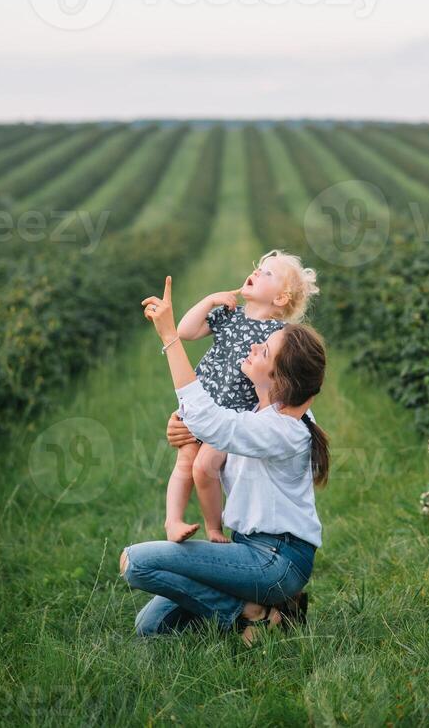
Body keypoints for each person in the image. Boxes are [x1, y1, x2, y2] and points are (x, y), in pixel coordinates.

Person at [119, 275, 329, 645]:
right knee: (151, 625)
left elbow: (213, 422)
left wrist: (170, 338)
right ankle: (270, 610)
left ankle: (252, 613)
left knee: (137, 563)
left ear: (279, 378)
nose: (254, 347)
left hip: (277, 558)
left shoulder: (284, 430)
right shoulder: (256, 413)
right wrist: (179, 429)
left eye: (264, 350)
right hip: (245, 549)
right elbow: (212, 429)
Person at [164, 249, 319, 543]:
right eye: (258, 267)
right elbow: (185, 331)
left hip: (236, 414)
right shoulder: (229, 314)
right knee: (185, 462)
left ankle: (214, 528)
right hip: (204, 400)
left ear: (281, 299)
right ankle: (172, 521)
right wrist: (210, 300)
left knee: (204, 467)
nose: (258, 272)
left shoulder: (279, 334)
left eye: (268, 272)